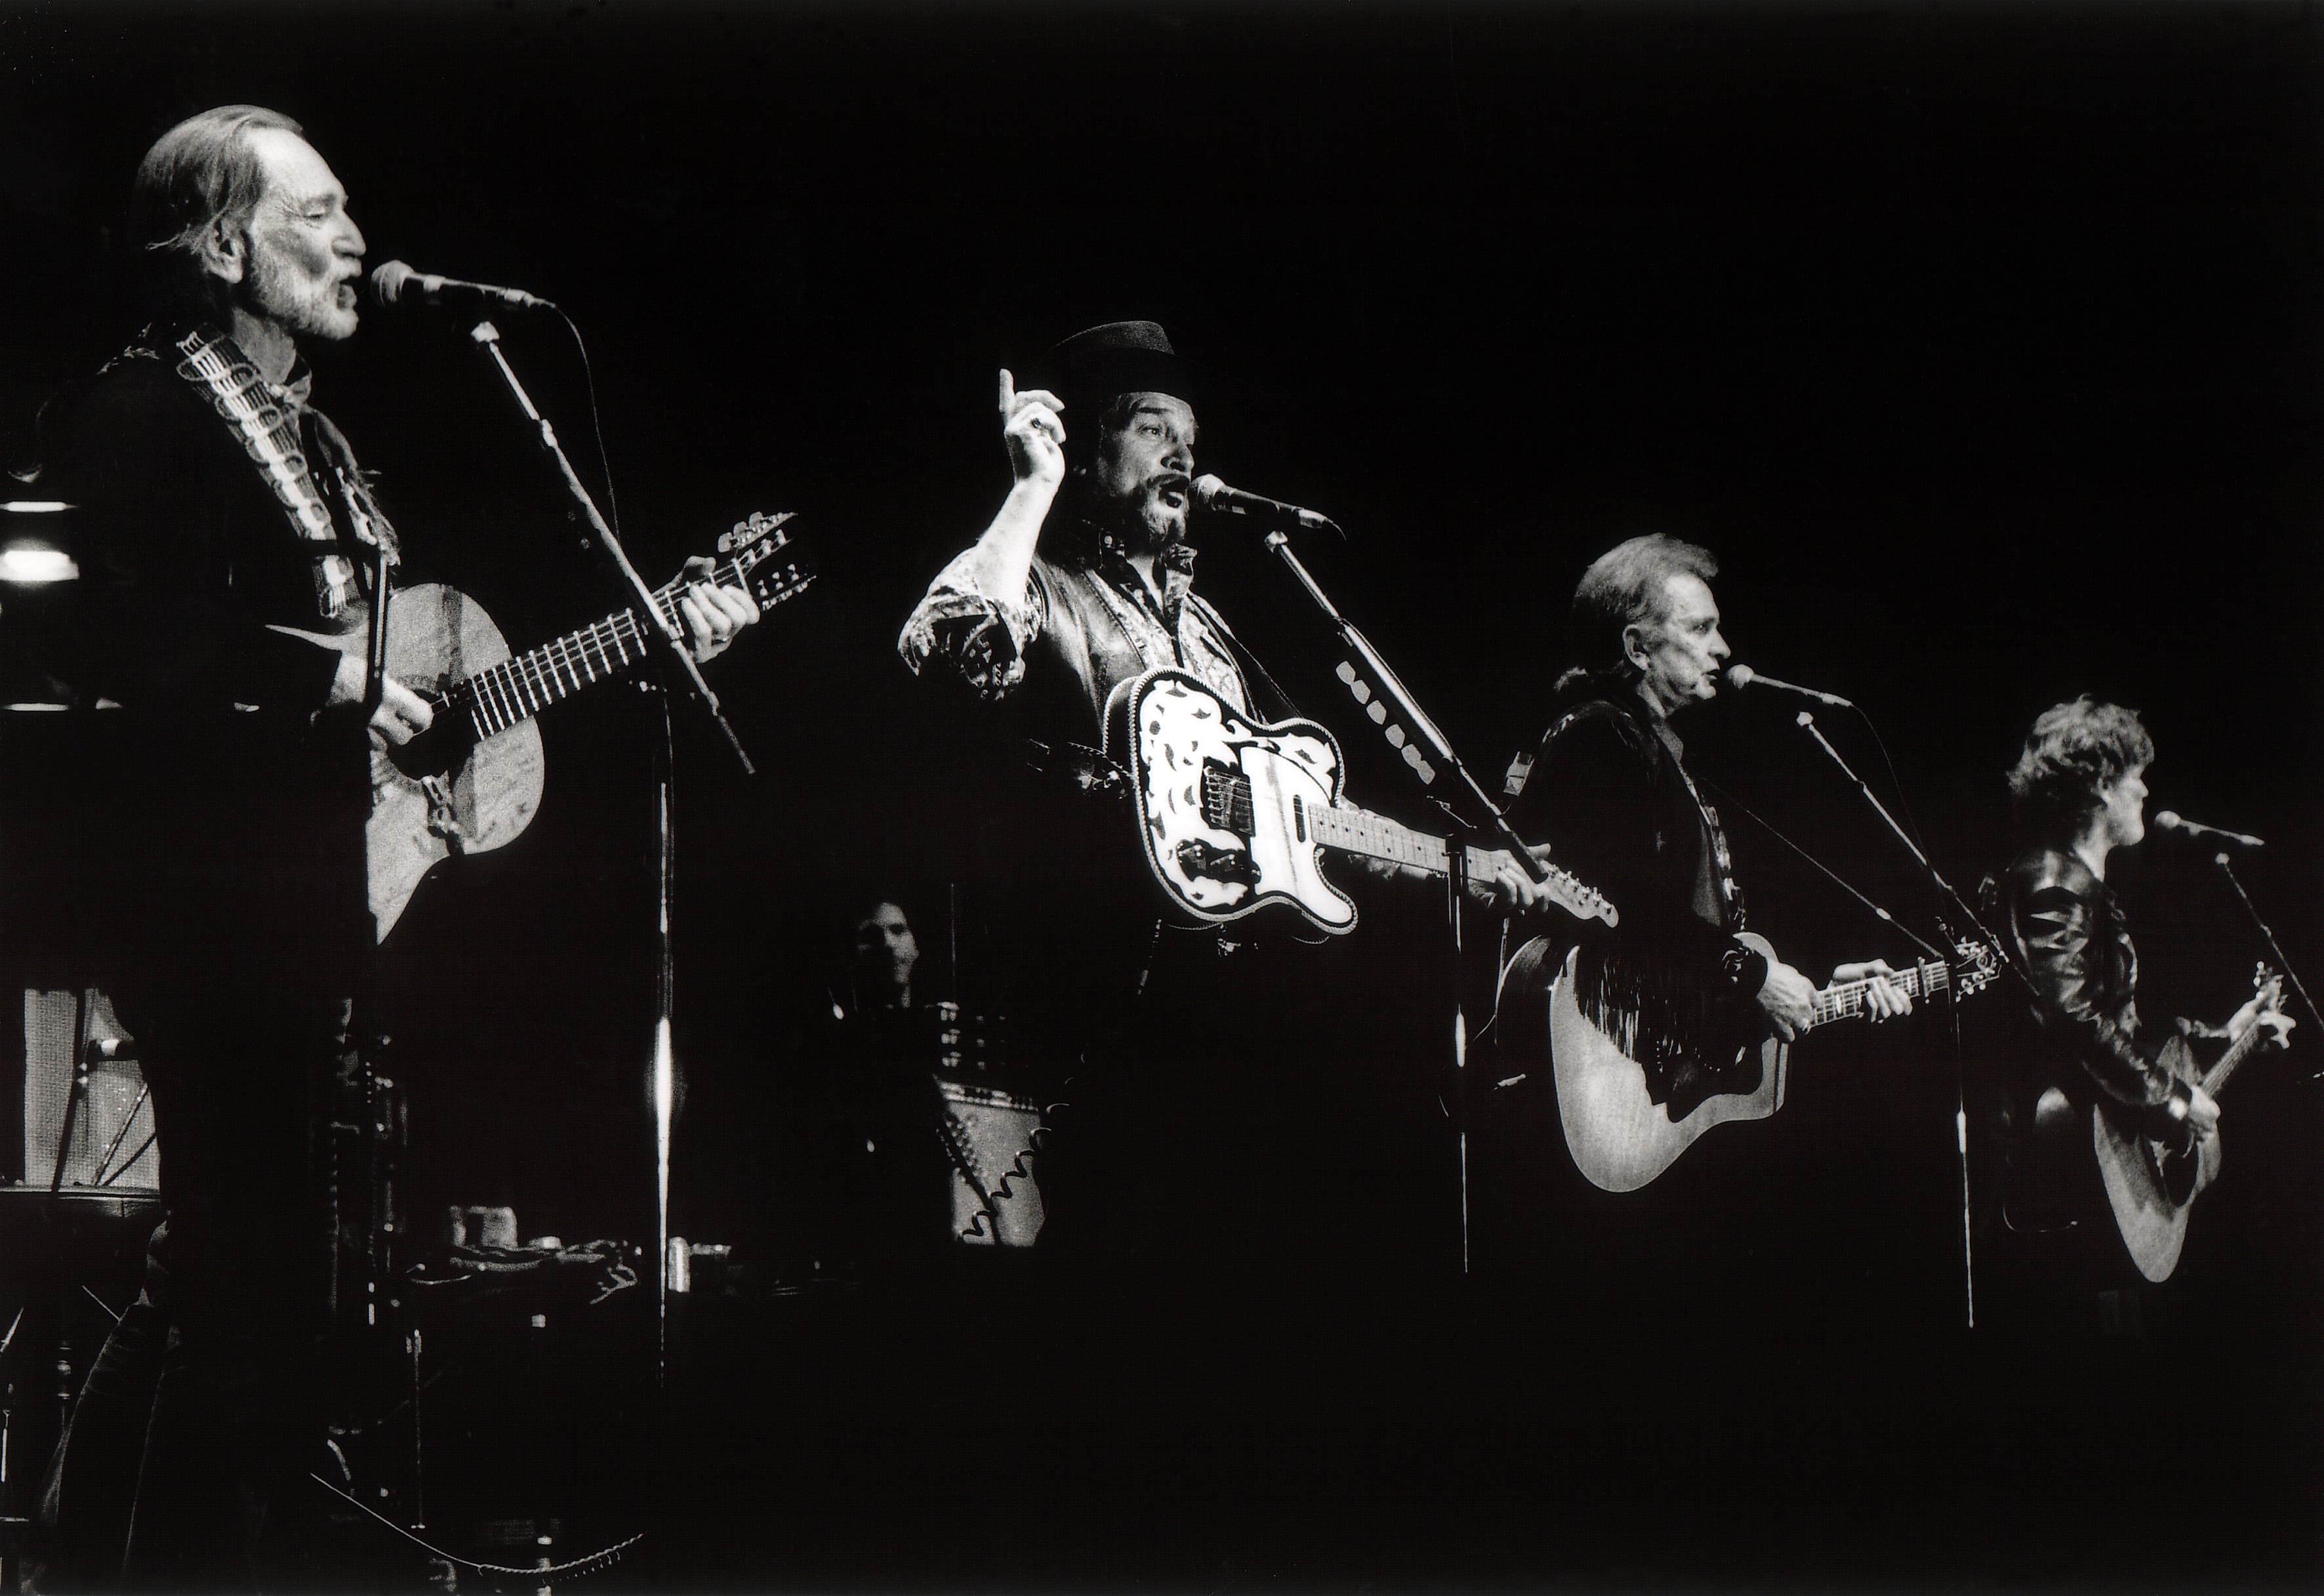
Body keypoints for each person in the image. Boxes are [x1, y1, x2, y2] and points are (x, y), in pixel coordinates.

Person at [26, 104, 759, 1588]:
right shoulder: (140, 411)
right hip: (202, 904)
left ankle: (194, 1540)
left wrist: (660, 630)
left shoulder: (315, 433)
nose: (358, 240)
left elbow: (401, 680)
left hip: (309, 900)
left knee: (266, 1271)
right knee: (233, 1258)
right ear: (224, 244)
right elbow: (112, 623)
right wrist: (335, 677)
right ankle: (128, 1556)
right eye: (320, 215)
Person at [898, 321, 1553, 1304]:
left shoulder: (1210, 633)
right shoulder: (1046, 579)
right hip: (1102, 1028)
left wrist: (1463, 864)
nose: (1182, 454)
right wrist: (1027, 489)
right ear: (1085, 456)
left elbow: (1308, 824)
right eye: (1153, 428)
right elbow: (947, 652)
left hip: (1239, 1036)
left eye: (1189, 439)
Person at [1479, 535, 1909, 1279]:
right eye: (1701, 629)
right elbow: (1622, 904)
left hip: (1666, 1076)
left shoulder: (1654, 746)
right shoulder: (1598, 735)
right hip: (1617, 1082)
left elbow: (1683, 946)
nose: (1724, 649)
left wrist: (1813, 991)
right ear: (1638, 647)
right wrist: (1749, 974)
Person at [1984, 697, 2292, 1338]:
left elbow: (2115, 1027)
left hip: (2101, 1149)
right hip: (2065, 1159)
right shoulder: (2050, 881)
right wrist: (2171, 1104)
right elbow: (2070, 1017)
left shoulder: (2081, 884)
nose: (2146, 788)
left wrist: (2226, 1037)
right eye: (2135, 775)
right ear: (2100, 783)